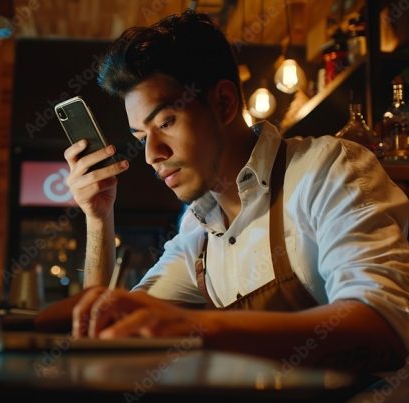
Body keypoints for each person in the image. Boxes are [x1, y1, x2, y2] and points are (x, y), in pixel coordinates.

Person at [59, 10, 409, 370]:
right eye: (141, 137)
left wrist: (198, 328)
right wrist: (98, 217)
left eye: (165, 122)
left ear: (224, 103)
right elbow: (111, 324)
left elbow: (383, 324)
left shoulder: (327, 170)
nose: (152, 154)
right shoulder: (198, 231)